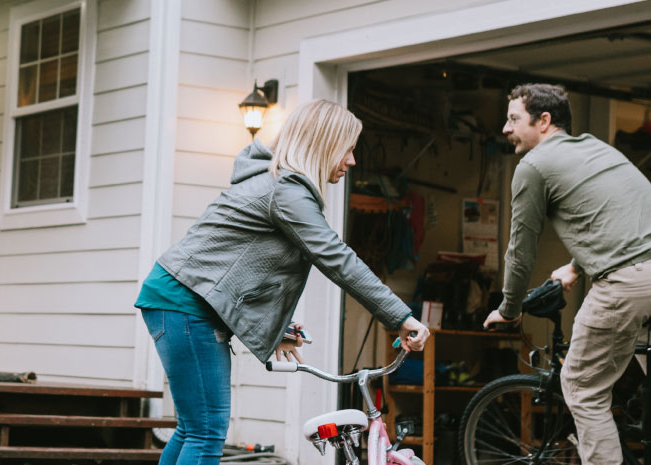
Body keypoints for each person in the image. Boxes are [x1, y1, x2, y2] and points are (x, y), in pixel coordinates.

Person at [137, 99, 431, 465]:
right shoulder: (286, 191)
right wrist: (401, 317)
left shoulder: (278, 185)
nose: (353, 161)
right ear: (324, 143)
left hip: (179, 300)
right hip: (184, 304)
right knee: (206, 431)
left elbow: (238, 270)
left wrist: (277, 326)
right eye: (349, 149)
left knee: (193, 429)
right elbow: (337, 259)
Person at [482, 84, 651, 465]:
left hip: (630, 280)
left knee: (582, 388)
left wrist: (509, 309)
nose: (505, 129)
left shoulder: (533, 166)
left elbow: (521, 250)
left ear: (544, 121)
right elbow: (616, 212)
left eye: (513, 119)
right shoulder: (594, 147)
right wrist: (575, 266)